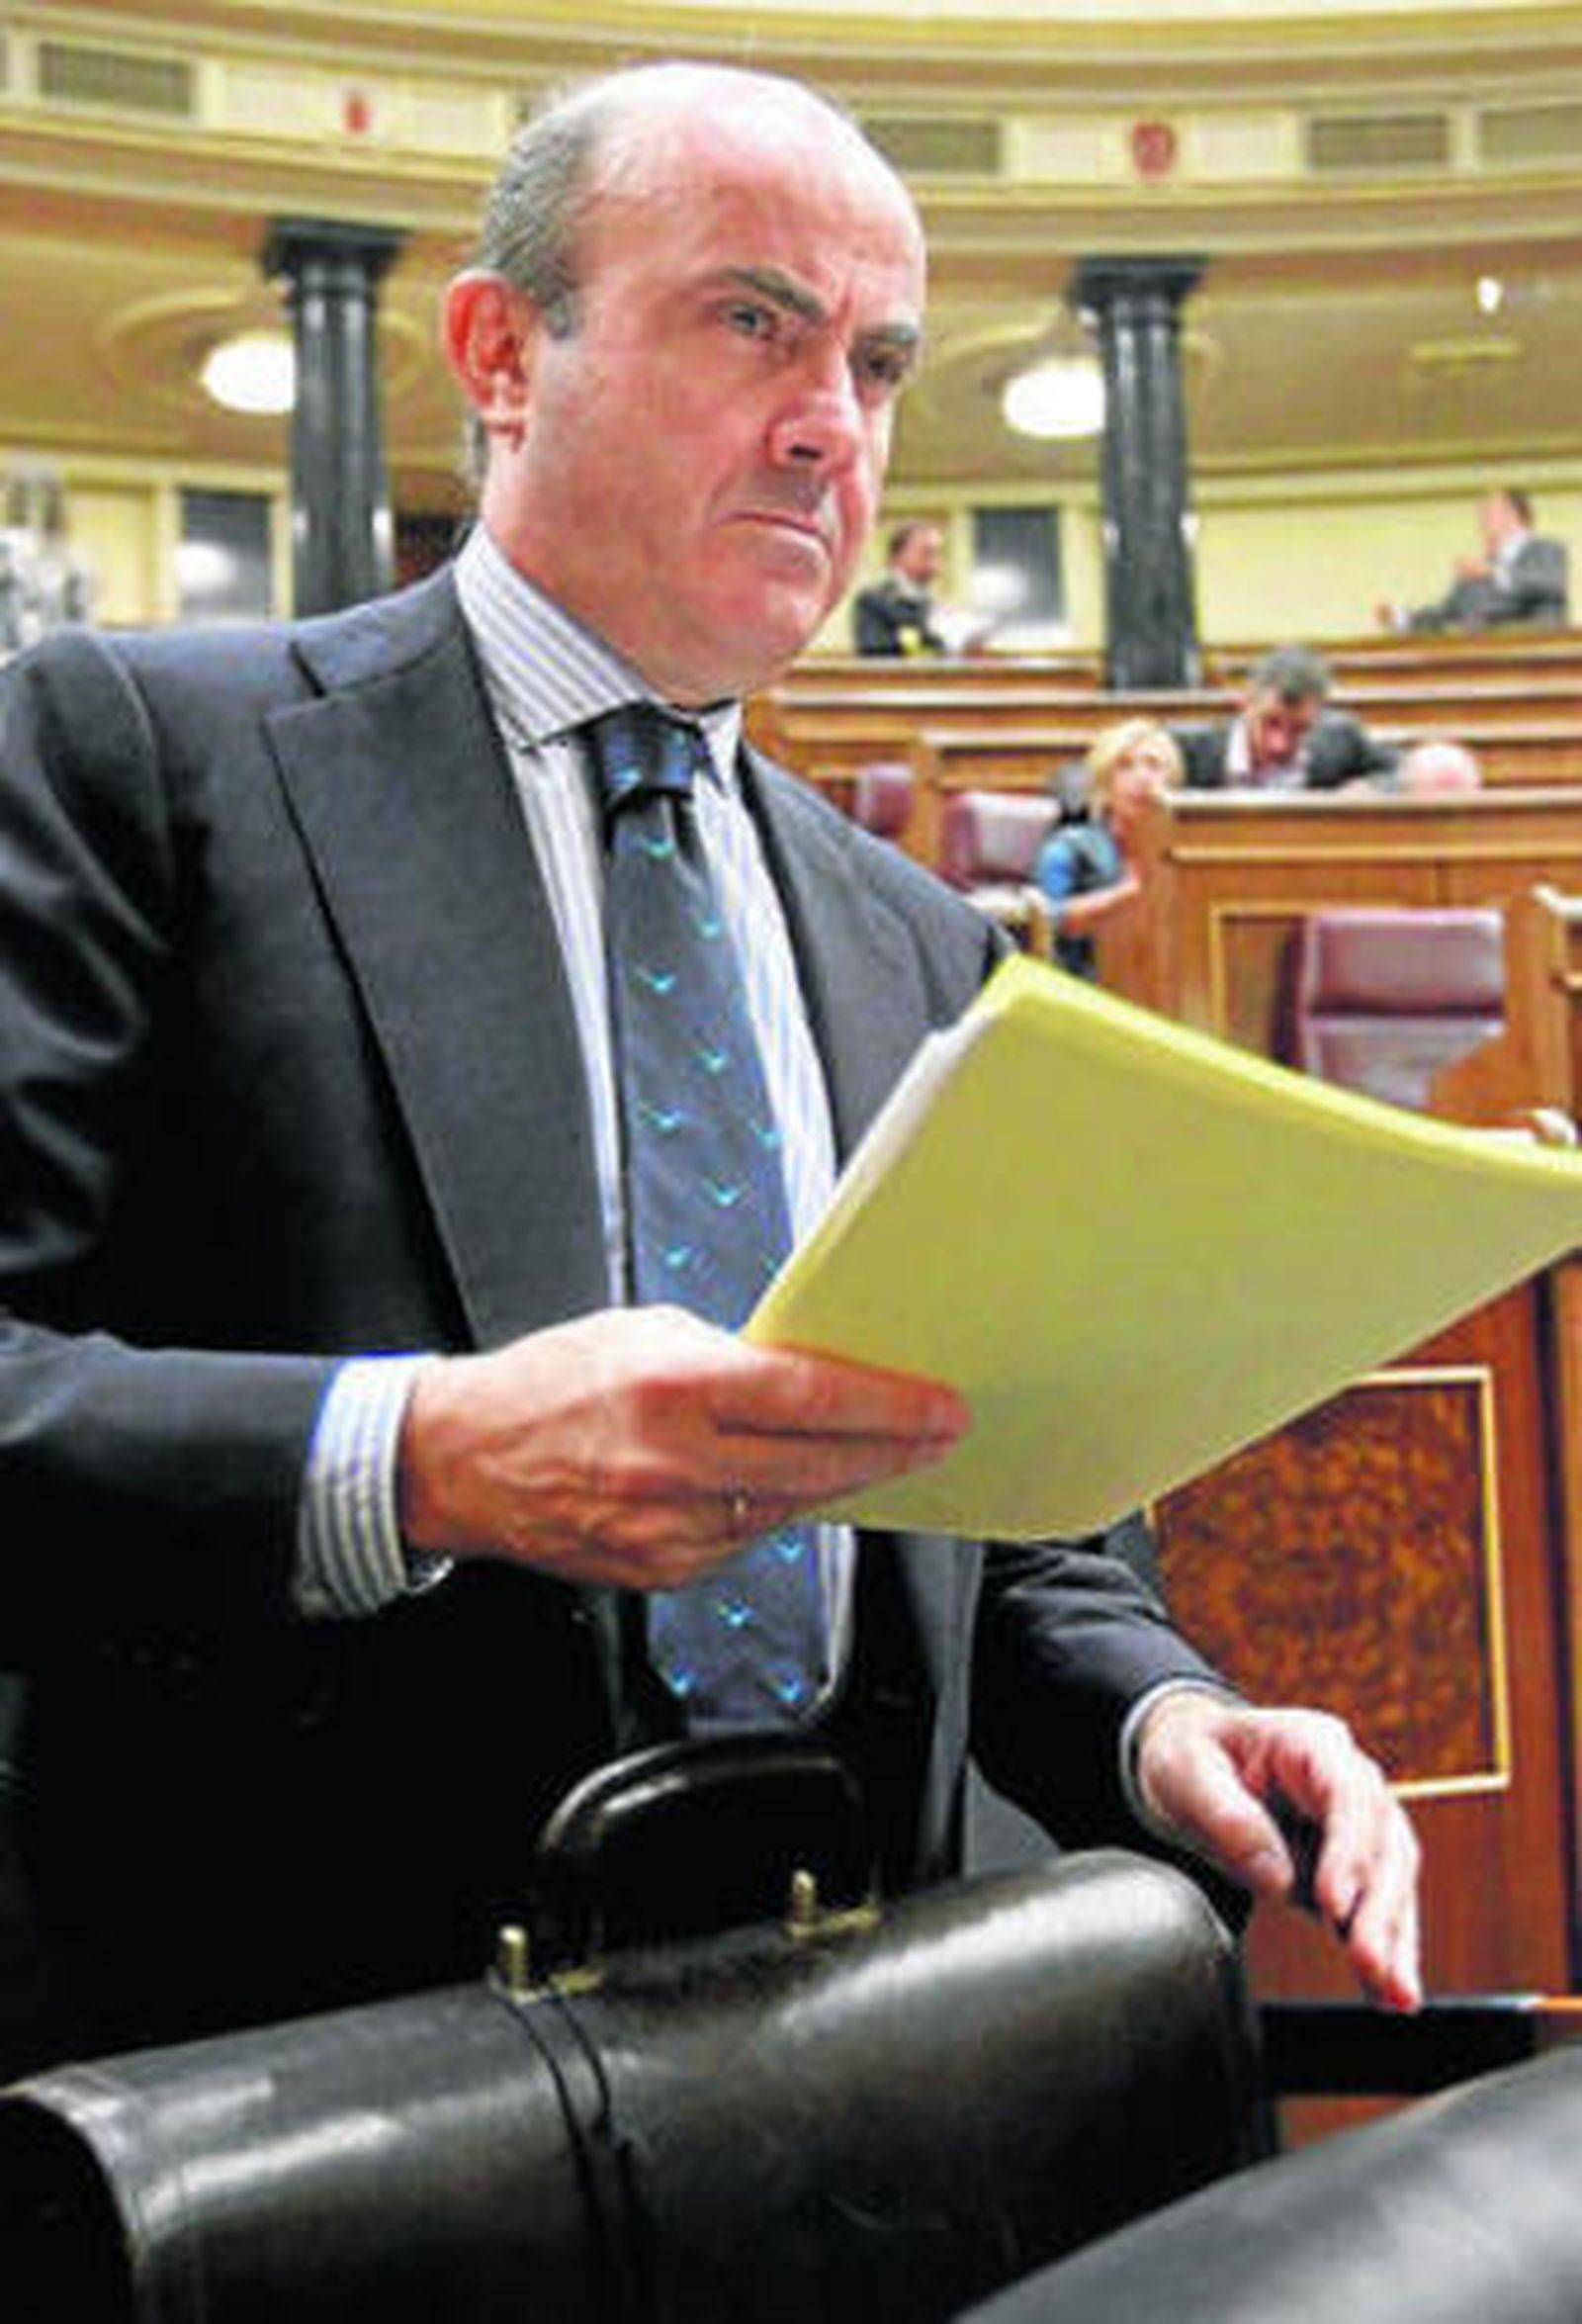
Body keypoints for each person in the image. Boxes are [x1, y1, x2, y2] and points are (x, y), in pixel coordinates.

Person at [0, 61, 1419, 2076]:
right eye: (751, 320)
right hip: (305, 2080)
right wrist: (411, 1457)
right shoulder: (138, 758)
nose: (828, 423)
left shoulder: (926, 941)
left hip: (845, 2059)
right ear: (501, 353)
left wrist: (1157, 1714)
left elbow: (1007, 1521)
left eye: (876, 361)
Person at [1034, 718, 1179, 977]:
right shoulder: (1068, 848)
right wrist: (1127, 895)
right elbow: (1047, 924)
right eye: (1124, 766)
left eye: (1154, 765)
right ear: (1103, 783)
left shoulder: (1189, 854)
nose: (1142, 777)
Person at [1174, 644, 1399, 791]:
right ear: (1245, 702)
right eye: (1270, 723)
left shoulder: (1340, 741)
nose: (1279, 745)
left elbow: (1405, 771)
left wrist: (1371, 787)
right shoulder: (1189, 752)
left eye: (1299, 730)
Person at [1381, 487, 1570, 633]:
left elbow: (1550, 585)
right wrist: (1401, 618)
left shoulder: (1547, 550)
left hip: (1532, 663)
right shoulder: (1477, 570)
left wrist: (1492, 573)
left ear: (1513, 514)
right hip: (1481, 663)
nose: (1481, 523)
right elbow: (1446, 613)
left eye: (1488, 513)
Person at [851, 517, 948, 655]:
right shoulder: (872, 600)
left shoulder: (932, 604)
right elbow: (873, 649)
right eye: (927, 552)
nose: (936, 561)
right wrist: (928, 636)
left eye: (938, 553)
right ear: (897, 556)